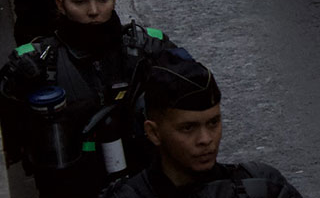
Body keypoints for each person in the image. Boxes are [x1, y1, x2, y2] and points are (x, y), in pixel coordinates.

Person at [0, 0, 174, 198]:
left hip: (141, 181)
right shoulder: (37, 61)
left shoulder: (146, 49)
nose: (93, 11)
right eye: (80, 1)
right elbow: (3, 136)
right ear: (61, 5)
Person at [101, 49, 305, 197]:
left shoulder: (264, 187)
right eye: (188, 128)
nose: (206, 140)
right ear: (153, 133)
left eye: (213, 123)